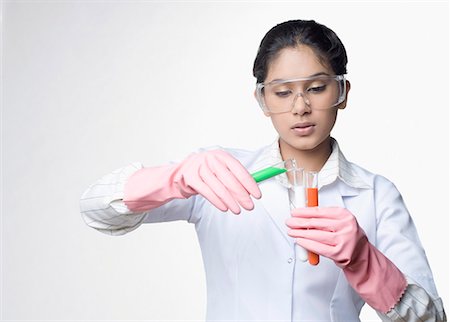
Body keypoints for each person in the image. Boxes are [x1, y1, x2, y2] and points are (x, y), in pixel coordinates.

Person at [80, 19, 446, 321]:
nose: (301, 107)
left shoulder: (376, 195)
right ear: (262, 100)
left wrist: (368, 263)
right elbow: (96, 209)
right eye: (283, 92)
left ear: (342, 92)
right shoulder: (218, 174)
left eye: (317, 88)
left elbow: (432, 318)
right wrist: (172, 180)